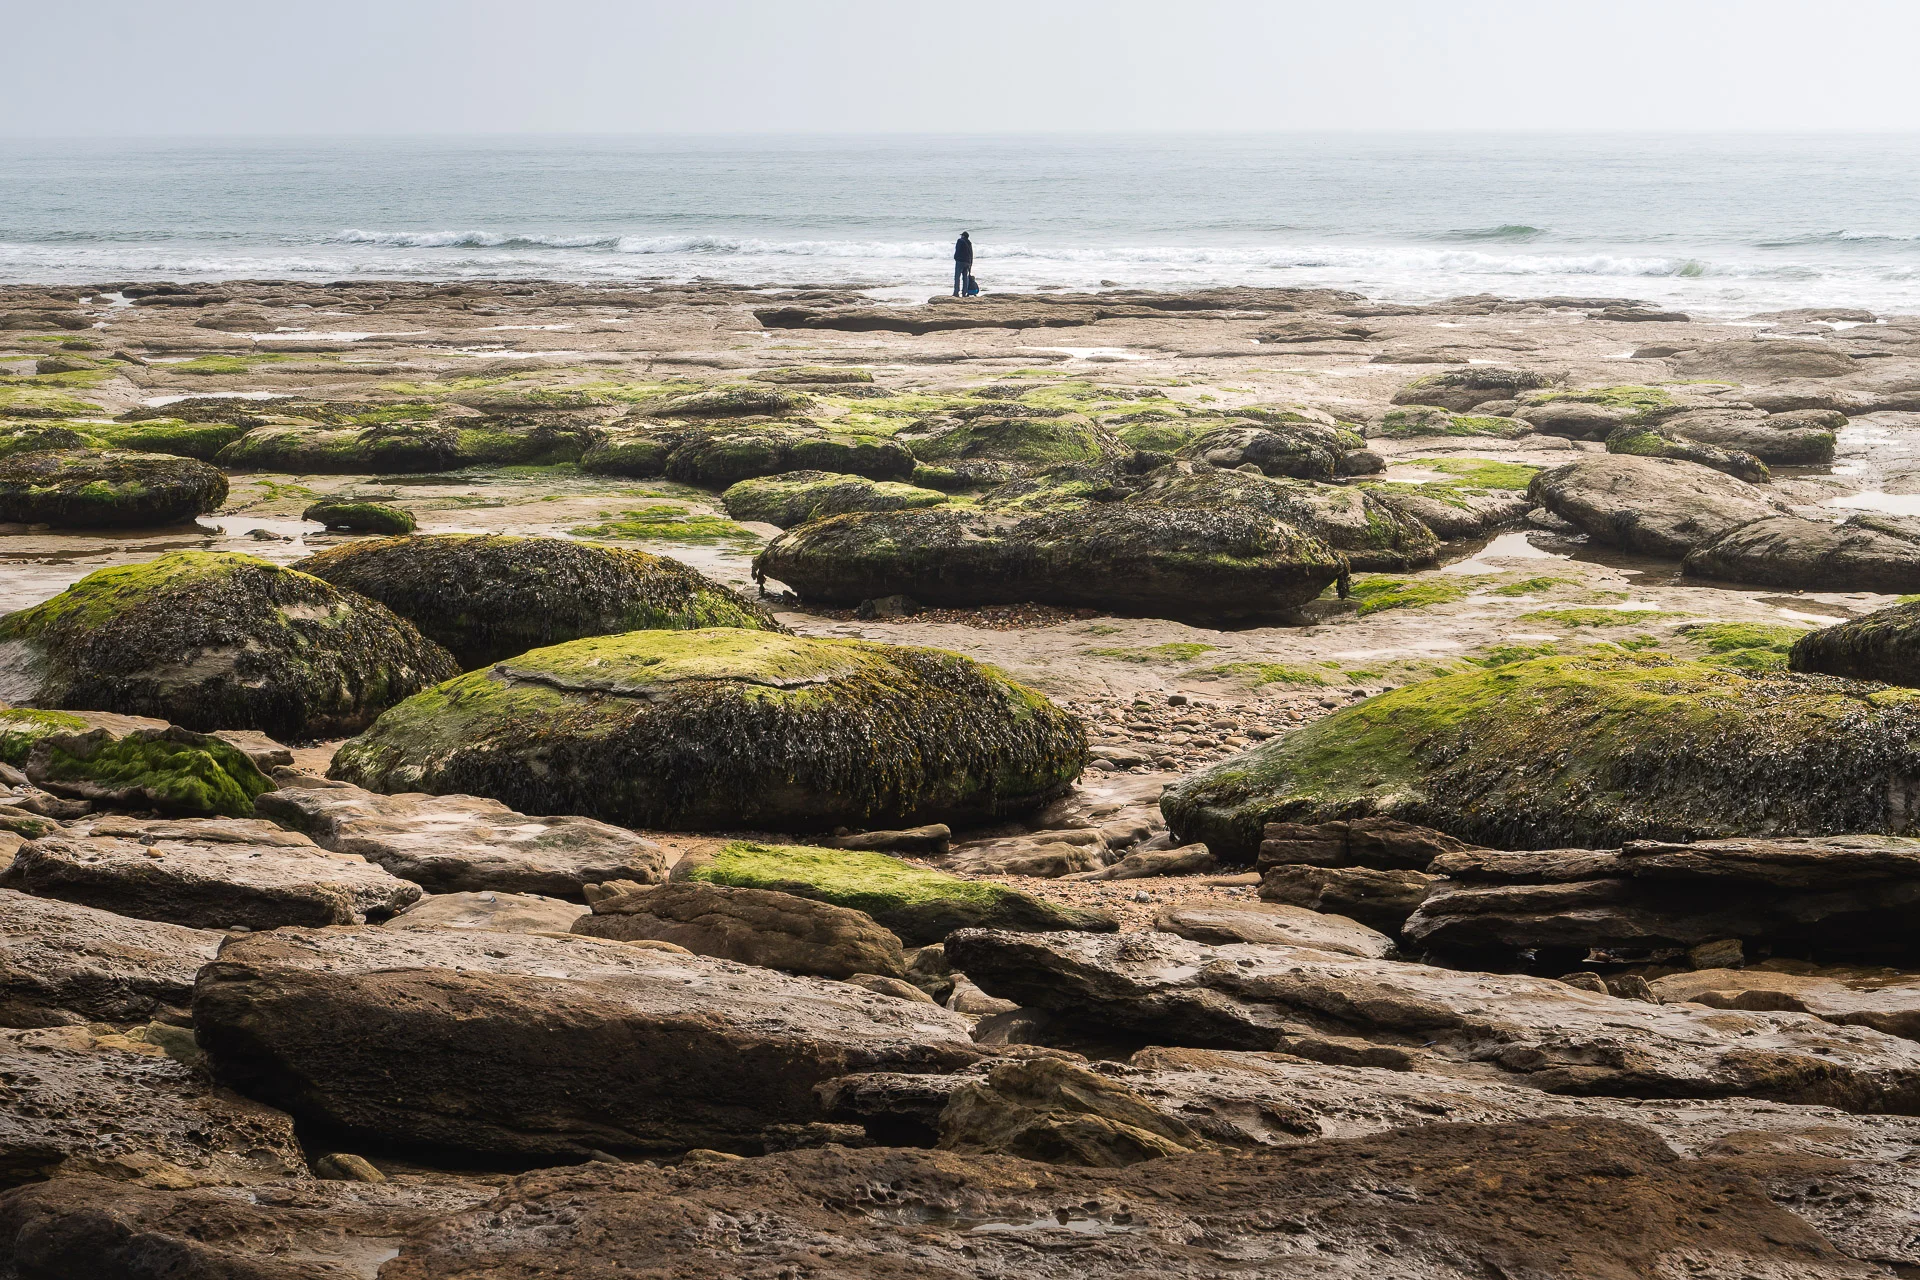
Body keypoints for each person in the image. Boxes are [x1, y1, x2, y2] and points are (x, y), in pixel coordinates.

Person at [953, 231, 973, 297]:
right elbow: (971, 253)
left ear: (963, 236)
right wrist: (971, 263)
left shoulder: (960, 241)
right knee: (965, 277)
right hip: (968, 262)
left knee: (957, 277)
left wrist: (955, 257)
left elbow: (957, 250)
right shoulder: (969, 243)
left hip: (960, 261)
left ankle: (956, 292)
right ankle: (964, 292)